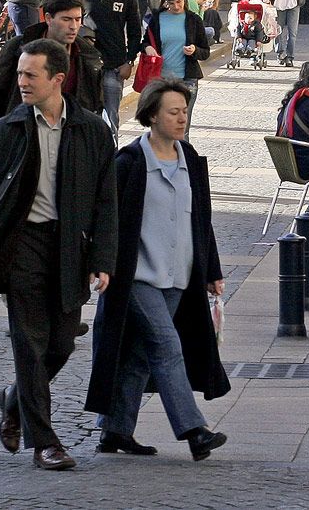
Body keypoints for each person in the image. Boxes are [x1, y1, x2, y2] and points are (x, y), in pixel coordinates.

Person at [0, 39, 118, 471]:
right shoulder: (6, 130)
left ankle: (14, 400)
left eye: (30, 75)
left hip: (68, 248)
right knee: (29, 343)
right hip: (21, 245)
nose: (21, 82)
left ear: (57, 79)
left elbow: (105, 200)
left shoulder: (92, 130)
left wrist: (103, 259)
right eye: (20, 74)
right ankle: (46, 442)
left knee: (61, 343)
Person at [85, 79, 231, 460]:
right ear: (152, 115)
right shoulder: (129, 163)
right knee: (167, 348)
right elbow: (105, 218)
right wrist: (99, 264)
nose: (182, 117)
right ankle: (194, 431)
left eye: (184, 110)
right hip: (137, 277)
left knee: (138, 353)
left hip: (178, 276)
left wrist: (211, 270)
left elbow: (202, 222)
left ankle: (114, 430)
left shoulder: (192, 162)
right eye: (173, 111)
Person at [0, 0, 104, 176]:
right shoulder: (18, 49)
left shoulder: (87, 56)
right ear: (48, 18)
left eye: (78, 19)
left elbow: (93, 107)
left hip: (68, 156)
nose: (74, 27)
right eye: (66, 19)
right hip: (20, 150)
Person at [80, 0, 144, 135]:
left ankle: (111, 160)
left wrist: (130, 61)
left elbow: (134, 31)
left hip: (115, 67)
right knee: (89, 117)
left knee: (111, 120)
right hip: (89, 67)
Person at [141, 0, 211, 116]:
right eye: (171, 3)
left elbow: (205, 51)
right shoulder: (157, 19)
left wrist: (194, 50)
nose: (176, 6)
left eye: (179, 1)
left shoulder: (193, 20)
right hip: (162, 79)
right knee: (162, 123)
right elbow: (145, 42)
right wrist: (147, 47)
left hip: (187, 80)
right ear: (165, 2)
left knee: (182, 127)